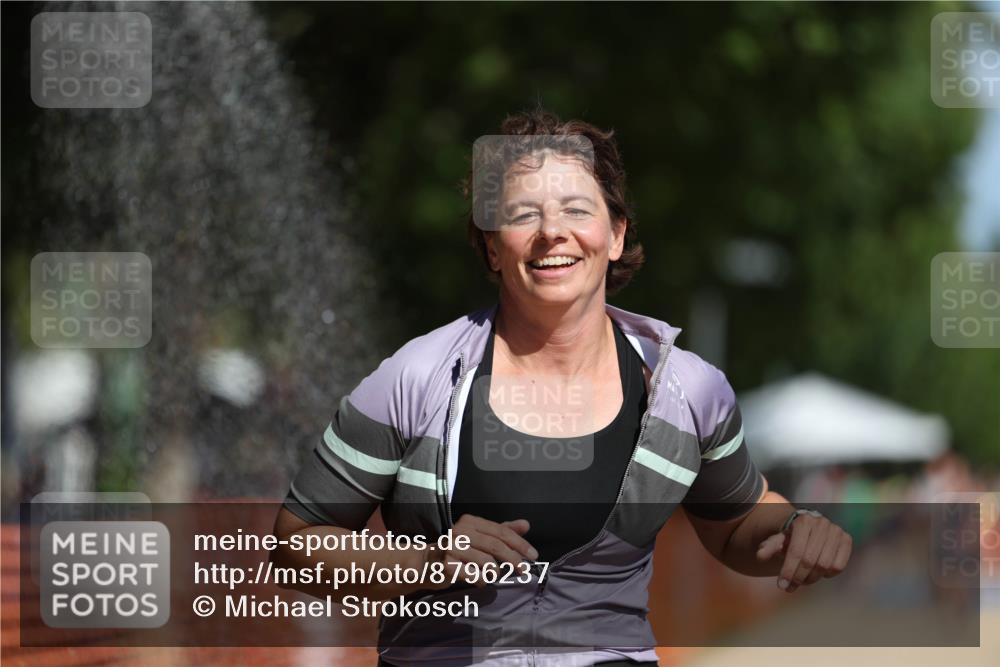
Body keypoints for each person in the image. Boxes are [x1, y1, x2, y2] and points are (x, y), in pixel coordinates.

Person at [272, 110, 853, 667]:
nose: (552, 232)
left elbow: (739, 524)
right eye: (523, 214)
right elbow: (297, 542)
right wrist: (426, 561)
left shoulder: (687, 391)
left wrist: (793, 527)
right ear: (492, 245)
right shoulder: (416, 379)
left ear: (616, 234)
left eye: (576, 209)